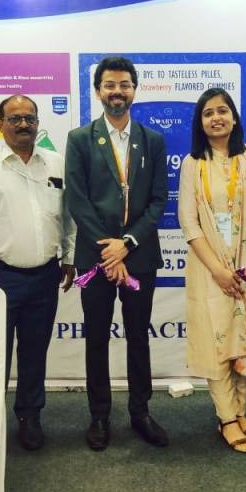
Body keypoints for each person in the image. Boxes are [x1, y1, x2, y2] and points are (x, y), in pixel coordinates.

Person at [0, 94, 77, 451]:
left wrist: (69, 257)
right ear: (0, 125)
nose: (23, 124)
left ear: (38, 123)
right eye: (15, 119)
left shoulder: (56, 164)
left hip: (45, 275)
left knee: (34, 352)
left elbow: (67, 216)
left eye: (30, 118)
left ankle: (29, 416)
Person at [65, 56, 169, 451]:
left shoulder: (152, 140)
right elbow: (77, 201)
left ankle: (140, 412)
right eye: (110, 85)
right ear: (98, 92)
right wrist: (109, 250)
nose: (117, 92)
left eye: (124, 85)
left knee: (138, 337)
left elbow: (158, 201)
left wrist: (126, 244)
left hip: (139, 257)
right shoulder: (80, 139)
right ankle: (99, 415)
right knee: (96, 338)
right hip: (95, 259)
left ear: (134, 90)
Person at [178, 88, 246, 453]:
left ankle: (240, 411)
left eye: (222, 110)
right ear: (200, 123)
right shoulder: (193, 164)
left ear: (234, 117)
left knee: (245, 340)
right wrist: (217, 270)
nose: (216, 118)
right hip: (209, 269)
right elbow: (189, 222)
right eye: (208, 113)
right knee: (218, 342)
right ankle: (226, 417)